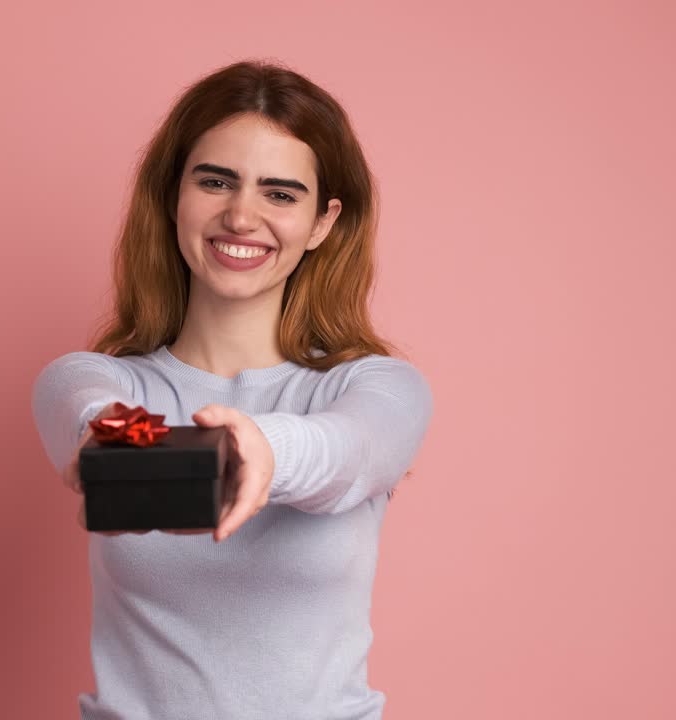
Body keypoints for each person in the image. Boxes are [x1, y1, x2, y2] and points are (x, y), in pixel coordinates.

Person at [30, 59, 433, 720]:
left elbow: (348, 451)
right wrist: (118, 442)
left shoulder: (378, 389)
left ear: (323, 223)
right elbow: (96, 417)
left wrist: (262, 451)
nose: (242, 216)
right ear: (173, 195)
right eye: (216, 182)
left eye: (280, 193)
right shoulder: (93, 377)